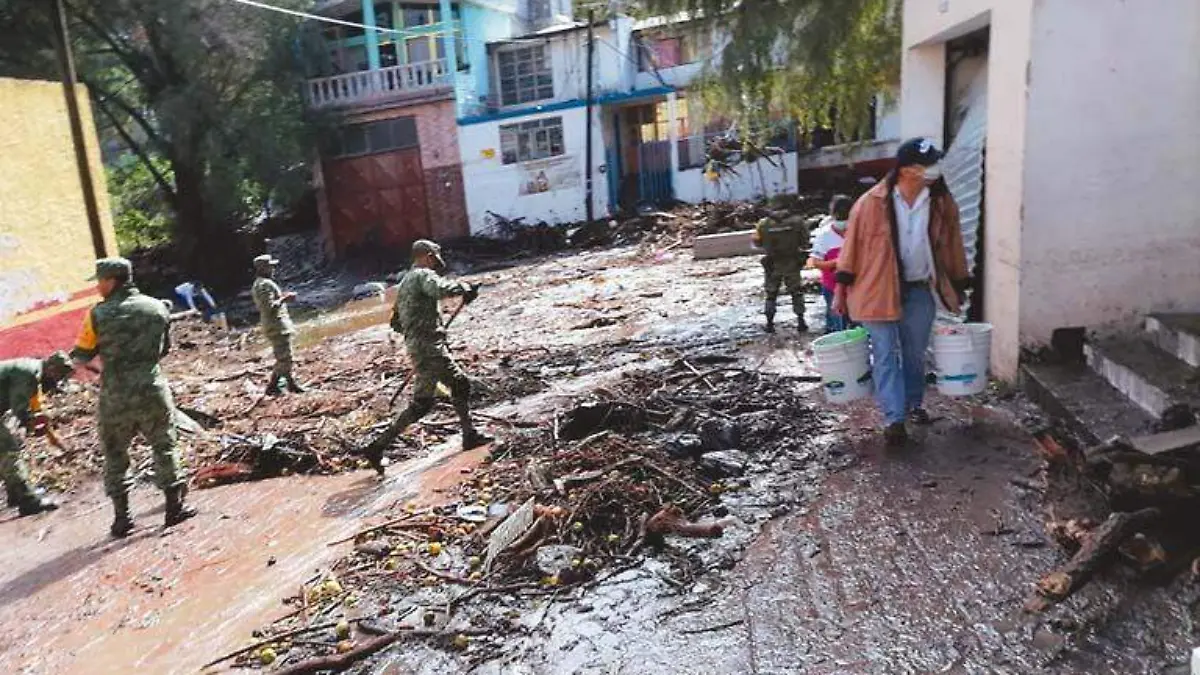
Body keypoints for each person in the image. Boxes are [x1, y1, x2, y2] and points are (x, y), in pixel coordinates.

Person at [833, 138, 970, 446]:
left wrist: (959, 285)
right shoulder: (870, 203)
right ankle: (894, 418)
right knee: (884, 354)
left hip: (919, 289)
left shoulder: (941, 201)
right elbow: (851, 250)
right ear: (908, 170)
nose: (936, 169)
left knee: (914, 353)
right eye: (929, 163)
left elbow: (952, 247)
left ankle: (912, 404)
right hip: (876, 290)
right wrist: (841, 292)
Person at [71, 257, 196, 537]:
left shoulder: (96, 314)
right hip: (152, 388)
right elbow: (164, 350)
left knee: (115, 454)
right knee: (165, 446)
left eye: (100, 281)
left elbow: (80, 356)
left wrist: (99, 368)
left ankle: (122, 519)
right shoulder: (157, 308)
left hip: (115, 395)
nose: (98, 287)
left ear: (112, 280)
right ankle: (174, 510)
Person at [360, 240, 492, 474]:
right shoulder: (422, 275)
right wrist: (464, 287)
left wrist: (418, 331)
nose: (435, 265)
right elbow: (439, 290)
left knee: (422, 403)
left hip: (421, 346)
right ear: (428, 256)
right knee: (459, 384)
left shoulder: (403, 284)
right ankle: (469, 436)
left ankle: (377, 447)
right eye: (434, 260)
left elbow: (396, 323)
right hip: (430, 347)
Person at [0, 352, 72, 516]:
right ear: (52, 368)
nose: (56, 382)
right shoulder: (28, 374)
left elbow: (33, 409)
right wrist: (30, 422)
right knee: (10, 451)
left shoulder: (31, 369)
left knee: (5, 449)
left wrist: (40, 426)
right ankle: (28, 501)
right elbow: (20, 407)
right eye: (58, 376)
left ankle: (15, 494)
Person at [251, 254, 304, 396]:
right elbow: (268, 307)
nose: (273, 268)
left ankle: (291, 384)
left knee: (284, 357)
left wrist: (281, 297)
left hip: (277, 325)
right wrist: (285, 298)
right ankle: (273, 386)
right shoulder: (264, 284)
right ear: (264, 268)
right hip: (277, 326)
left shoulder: (262, 283)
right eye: (271, 266)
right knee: (285, 359)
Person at [752, 212, 809, 333]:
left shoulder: (763, 224)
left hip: (772, 264)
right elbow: (805, 241)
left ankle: (769, 323)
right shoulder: (797, 221)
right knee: (796, 292)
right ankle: (801, 321)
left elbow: (756, 243)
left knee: (771, 295)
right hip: (792, 262)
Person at [807, 195, 854, 333]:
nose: (843, 221)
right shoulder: (824, 235)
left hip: (857, 287)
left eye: (846, 216)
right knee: (838, 325)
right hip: (832, 287)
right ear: (832, 215)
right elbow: (814, 262)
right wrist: (837, 262)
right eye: (840, 217)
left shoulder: (859, 231)